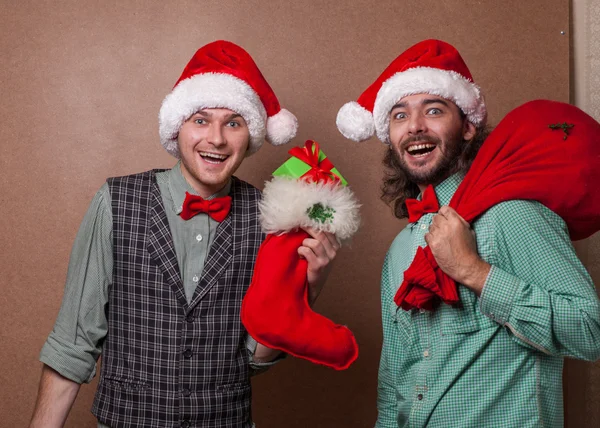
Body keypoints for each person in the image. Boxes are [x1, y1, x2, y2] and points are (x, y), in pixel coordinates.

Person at [29, 40, 340, 428]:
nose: (216, 139)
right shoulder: (116, 201)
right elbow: (73, 344)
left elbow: (254, 358)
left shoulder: (270, 218)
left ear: (250, 135)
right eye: (200, 120)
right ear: (177, 127)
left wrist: (305, 287)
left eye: (233, 122)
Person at [336, 39, 600, 427]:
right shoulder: (400, 249)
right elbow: (394, 387)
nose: (415, 127)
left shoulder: (513, 214)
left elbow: (590, 329)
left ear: (468, 127)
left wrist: (475, 272)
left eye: (434, 110)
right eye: (399, 115)